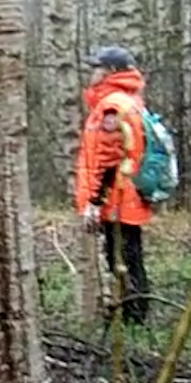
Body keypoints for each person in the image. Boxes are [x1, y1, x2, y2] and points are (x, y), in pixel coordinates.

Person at [76, 44, 152, 325]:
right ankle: (132, 315)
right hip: (127, 196)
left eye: (96, 68)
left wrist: (94, 202)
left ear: (109, 72)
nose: (92, 73)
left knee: (121, 257)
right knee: (128, 255)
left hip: (117, 197)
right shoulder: (128, 101)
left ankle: (132, 319)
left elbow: (109, 158)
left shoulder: (112, 107)